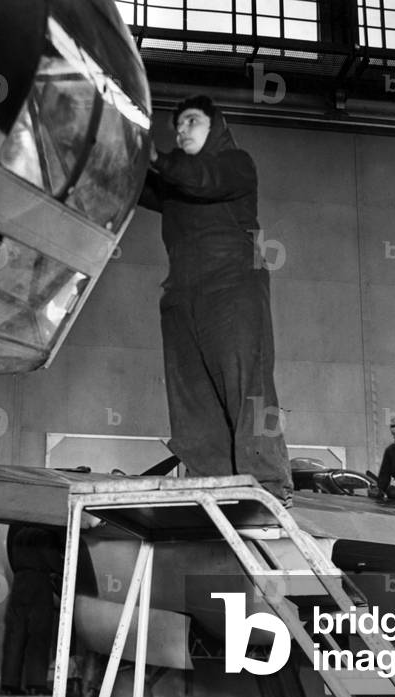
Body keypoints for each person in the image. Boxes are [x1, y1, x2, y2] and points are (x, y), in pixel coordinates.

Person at [140, 95, 293, 504]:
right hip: (181, 296)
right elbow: (135, 183)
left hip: (232, 288)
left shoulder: (235, 164)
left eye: (191, 122)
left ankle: (267, 485)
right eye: (177, 126)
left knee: (246, 384)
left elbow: (201, 179)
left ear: (216, 126)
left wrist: (154, 156)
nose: (181, 131)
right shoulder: (176, 183)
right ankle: (211, 482)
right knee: (193, 391)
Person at [0, 524, 64, 695]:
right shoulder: (45, 535)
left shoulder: (19, 535)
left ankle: (9, 685)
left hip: (19, 582)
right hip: (38, 582)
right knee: (38, 635)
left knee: (15, 636)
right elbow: (55, 563)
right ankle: (35, 684)